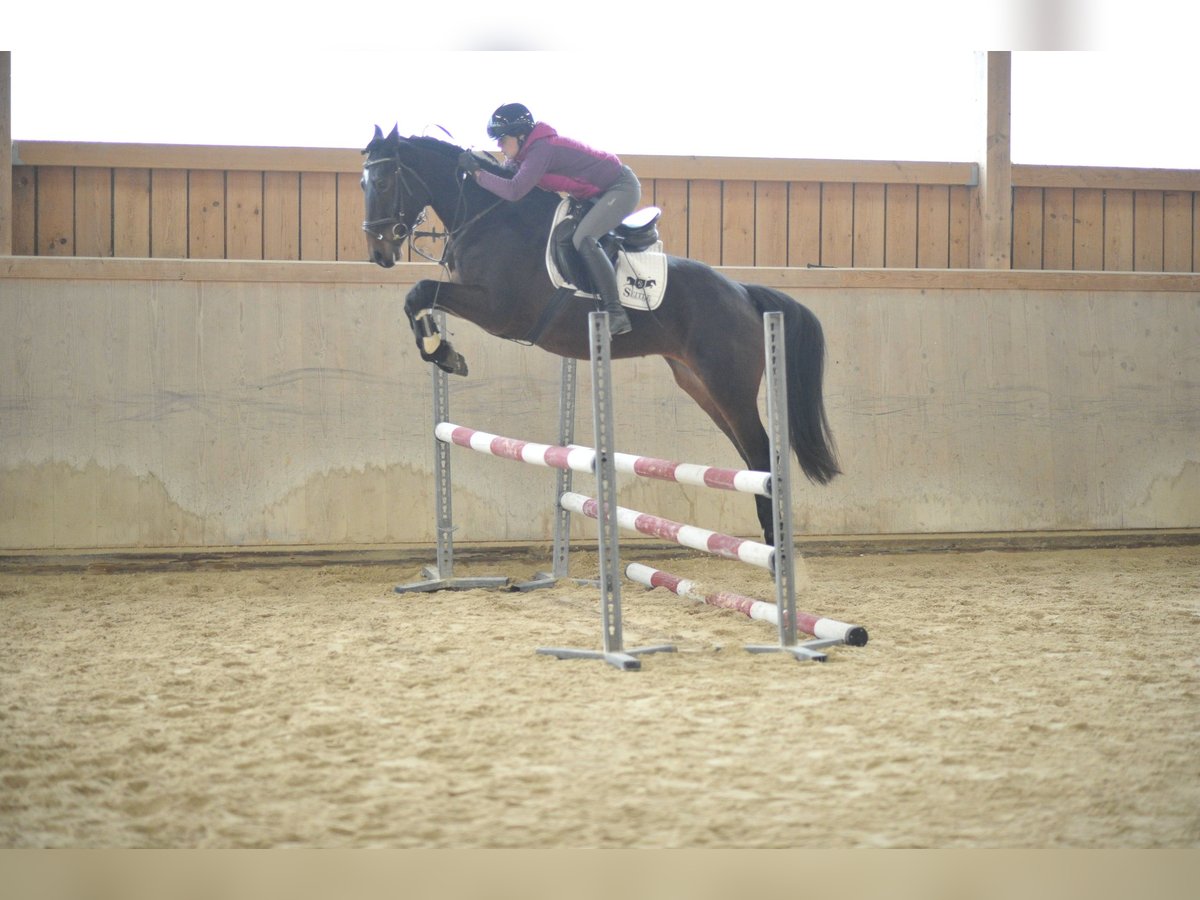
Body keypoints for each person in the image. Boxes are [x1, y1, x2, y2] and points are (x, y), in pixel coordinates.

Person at [459, 103, 639, 335]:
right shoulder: (524, 155)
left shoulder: (540, 150)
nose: (499, 145)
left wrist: (477, 173)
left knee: (584, 238)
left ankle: (616, 312)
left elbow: (513, 191)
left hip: (620, 188)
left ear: (521, 136)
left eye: (502, 139)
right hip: (594, 196)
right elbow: (504, 176)